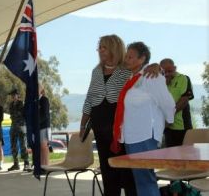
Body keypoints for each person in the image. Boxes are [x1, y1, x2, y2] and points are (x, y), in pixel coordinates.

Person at [111, 42, 175, 196]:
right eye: (126, 56)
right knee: (140, 180)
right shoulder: (132, 79)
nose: (126, 59)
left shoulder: (152, 76)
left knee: (146, 179)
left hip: (145, 135)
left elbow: (168, 104)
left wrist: (164, 122)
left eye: (130, 56)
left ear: (142, 58)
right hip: (131, 136)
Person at [80, 35, 139, 196]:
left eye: (103, 47)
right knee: (107, 169)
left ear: (114, 48)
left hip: (120, 128)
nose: (99, 50)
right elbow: (90, 97)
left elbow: (146, 68)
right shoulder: (96, 71)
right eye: (99, 47)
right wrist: (83, 123)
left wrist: (155, 66)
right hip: (99, 126)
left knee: (126, 170)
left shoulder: (127, 70)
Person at [160, 58, 194, 147]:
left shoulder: (184, 78)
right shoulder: (160, 81)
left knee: (186, 155)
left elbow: (184, 100)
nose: (167, 74)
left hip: (182, 126)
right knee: (171, 156)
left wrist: (169, 115)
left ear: (175, 68)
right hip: (167, 127)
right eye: (164, 72)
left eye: (169, 71)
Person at [7, 89, 30, 172]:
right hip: (13, 126)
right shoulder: (11, 104)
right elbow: (12, 115)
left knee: (23, 145)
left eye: (14, 95)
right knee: (13, 145)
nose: (13, 96)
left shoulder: (21, 103)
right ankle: (15, 163)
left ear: (17, 95)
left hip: (21, 126)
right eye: (12, 95)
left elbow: (21, 114)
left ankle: (26, 163)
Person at [38, 84, 50, 167]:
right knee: (39, 147)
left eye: (37, 88)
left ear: (41, 89)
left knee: (44, 146)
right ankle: (41, 166)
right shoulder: (34, 101)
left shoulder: (44, 99)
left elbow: (45, 115)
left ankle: (46, 166)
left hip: (44, 126)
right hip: (37, 127)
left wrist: (37, 123)